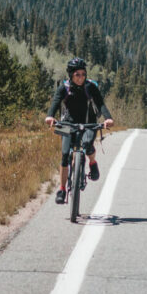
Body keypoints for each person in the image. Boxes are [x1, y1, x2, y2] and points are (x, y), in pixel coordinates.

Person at [45, 57, 114, 204]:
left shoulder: (91, 87)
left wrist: (108, 118)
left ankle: (92, 162)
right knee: (64, 155)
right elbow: (56, 102)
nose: (81, 77)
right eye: (77, 74)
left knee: (88, 145)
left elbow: (100, 104)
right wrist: (50, 116)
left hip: (89, 122)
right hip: (67, 123)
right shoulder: (64, 87)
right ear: (71, 75)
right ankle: (62, 189)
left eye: (83, 74)